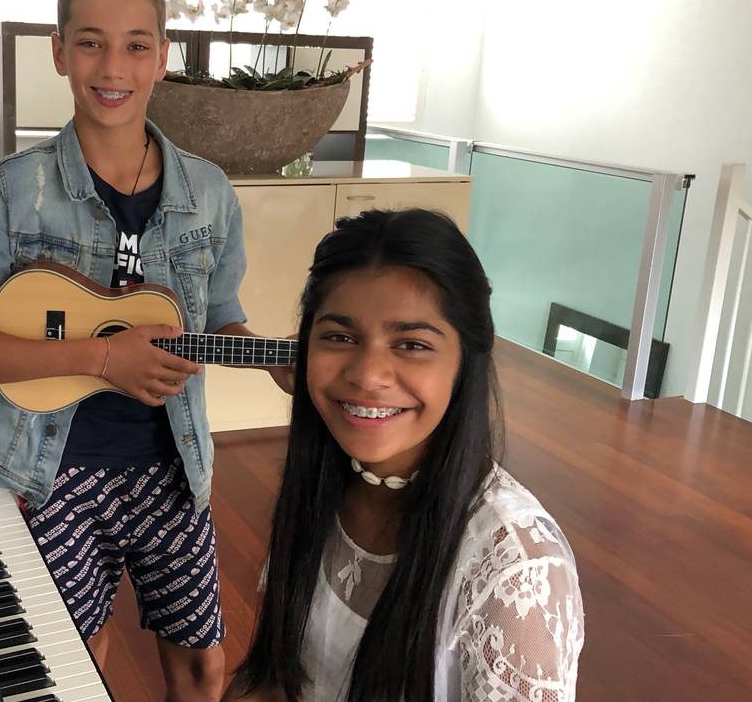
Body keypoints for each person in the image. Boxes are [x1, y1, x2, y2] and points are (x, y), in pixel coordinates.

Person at [0, 0, 289, 699]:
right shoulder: (12, 190)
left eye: (135, 46)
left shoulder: (209, 194)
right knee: (75, 659)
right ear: (59, 52)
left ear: (162, 59)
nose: (112, 67)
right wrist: (101, 357)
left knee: (203, 665)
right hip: (47, 473)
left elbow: (219, 321)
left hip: (172, 471)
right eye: (90, 42)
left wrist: (276, 359)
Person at [224, 209, 584, 701]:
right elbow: (273, 681)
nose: (368, 374)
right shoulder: (326, 481)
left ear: (465, 362)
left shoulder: (517, 571)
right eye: (340, 337)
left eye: (412, 344)